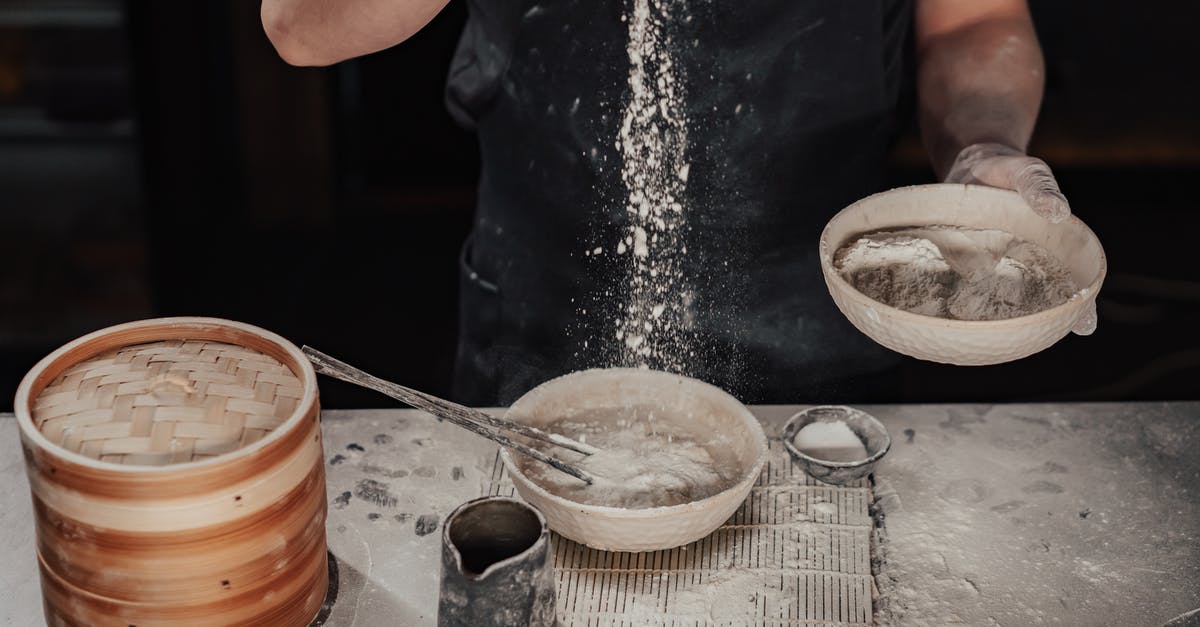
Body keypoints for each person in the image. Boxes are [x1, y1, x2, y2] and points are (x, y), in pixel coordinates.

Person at [262, 0, 1094, 405]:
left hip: (827, 319)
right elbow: (302, 25)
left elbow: (972, 20)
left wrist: (983, 139)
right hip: (542, 316)